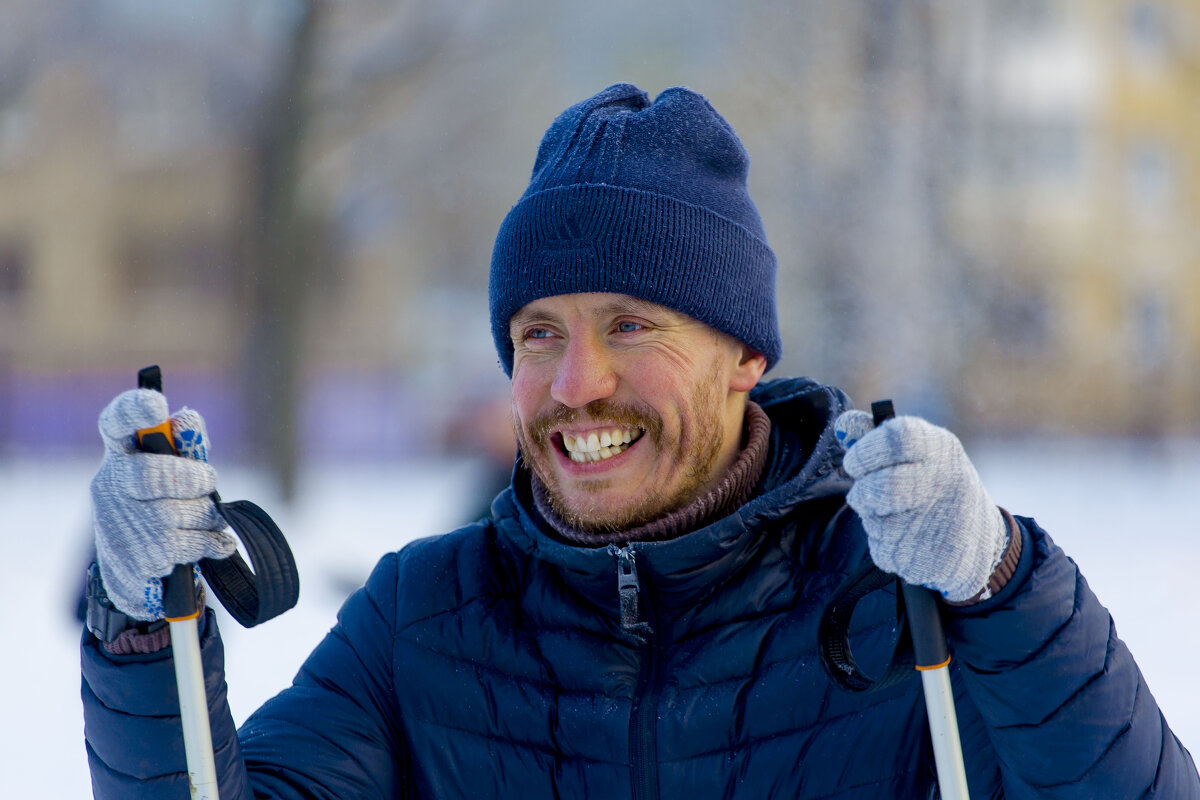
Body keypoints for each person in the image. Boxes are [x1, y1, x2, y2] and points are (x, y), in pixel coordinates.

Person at [81, 83, 1199, 799]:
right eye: (538, 333)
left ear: (746, 355)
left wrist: (1005, 585)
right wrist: (140, 621)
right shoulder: (421, 622)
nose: (578, 383)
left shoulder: (905, 601)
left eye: (631, 324)